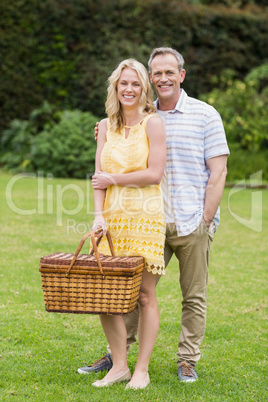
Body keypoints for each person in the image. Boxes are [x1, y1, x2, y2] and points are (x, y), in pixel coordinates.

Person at [78, 47, 229, 383]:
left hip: (191, 221)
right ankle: (117, 357)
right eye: (157, 73)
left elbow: (218, 172)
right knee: (131, 293)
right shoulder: (145, 114)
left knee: (193, 295)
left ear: (181, 75)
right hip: (150, 222)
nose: (163, 78)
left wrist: (205, 218)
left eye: (169, 72)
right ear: (150, 79)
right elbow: (121, 133)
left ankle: (187, 360)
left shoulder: (205, 115)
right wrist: (106, 132)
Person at [88, 58, 166, 389]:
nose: (129, 89)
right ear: (115, 88)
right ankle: (119, 365)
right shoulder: (104, 127)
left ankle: (142, 370)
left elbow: (154, 173)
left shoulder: (153, 124)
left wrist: (113, 179)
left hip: (145, 218)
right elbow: (97, 180)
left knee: (145, 295)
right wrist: (97, 215)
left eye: (135, 84)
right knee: (107, 294)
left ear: (143, 89)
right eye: (124, 84)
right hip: (112, 220)